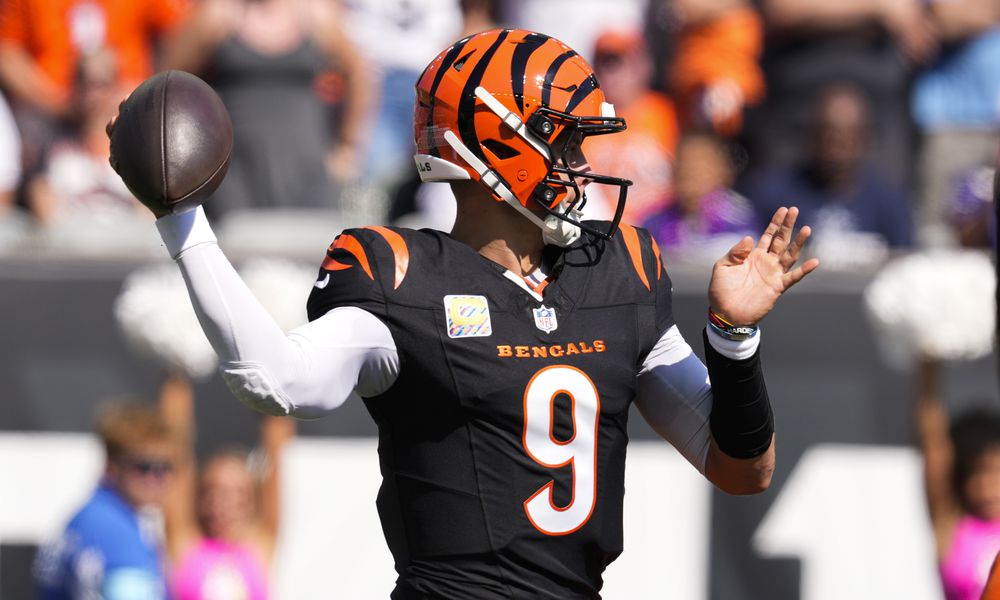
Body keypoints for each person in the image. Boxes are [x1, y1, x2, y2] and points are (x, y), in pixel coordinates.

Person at [110, 28, 818, 597]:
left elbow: (741, 469)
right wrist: (184, 224)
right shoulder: (404, 276)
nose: (581, 161)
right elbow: (278, 380)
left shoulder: (617, 272)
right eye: (564, 140)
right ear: (497, 146)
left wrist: (732, 337)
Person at [163, 0, 370, 217]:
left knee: (313, 244)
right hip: (234, 171)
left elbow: (358, 74)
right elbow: (171, 82)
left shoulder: (315, 13)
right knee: (239, 244)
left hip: (308, 168)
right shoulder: (219, 14)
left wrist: (347, 146)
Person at [742, 83, 913, 268]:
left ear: (865, 138)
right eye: (828, 135)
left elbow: (904, 264)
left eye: (847, 138)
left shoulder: (888, 199)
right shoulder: (772, 193)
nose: (836, 150)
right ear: (812, 134)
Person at [157, 373, 295, 600]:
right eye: (213, 492)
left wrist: (274, 373)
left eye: (237, 495)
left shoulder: (259, 546)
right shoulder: (186, 545)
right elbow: (176, 450)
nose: (223, 505)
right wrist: (178, 370)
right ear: (200, 498)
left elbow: (275, 453)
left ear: (252, 502)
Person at [33, 403, 178, 599]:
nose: (156, 477)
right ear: (112, 464)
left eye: (165, 466)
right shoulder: (116, 533)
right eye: (144, 466)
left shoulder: (86, 516)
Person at [916, 359, 1000, 600]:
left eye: (996, 472)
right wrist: (928, 368)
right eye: (975, 474)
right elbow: (933, 445)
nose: (986, 486)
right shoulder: (952, 526)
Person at [585, 28, 678, 225]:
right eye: (605, 64)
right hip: (607, 231)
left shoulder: (668, 113)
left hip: (663, 228)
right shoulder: (585, 121)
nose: (612, 74)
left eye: (619, 63)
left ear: (643, 65)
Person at [644, 131, 757, 263]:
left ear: (723, 172)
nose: (690, 175)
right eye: (684, 167)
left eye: (700, 168)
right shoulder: (655, 222)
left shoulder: (741, 220)